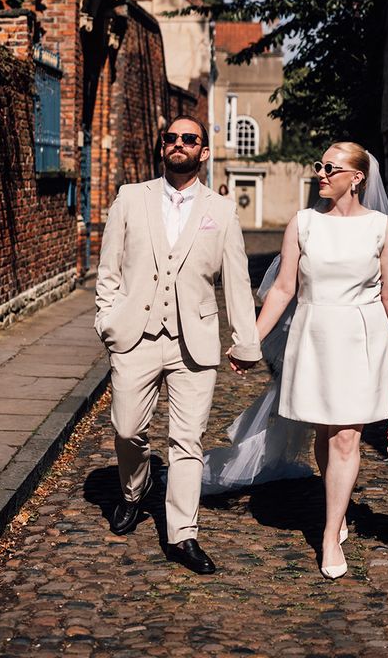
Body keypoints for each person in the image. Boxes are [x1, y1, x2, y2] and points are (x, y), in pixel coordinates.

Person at [94, 114, 261, 575]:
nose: (179, 143)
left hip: (196, 341)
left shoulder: (221, 210)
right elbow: (108, 269)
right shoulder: (131, 198)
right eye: (171, 137)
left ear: (203, 152)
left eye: (189, 138)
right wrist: (108, 319)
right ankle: (135, 490)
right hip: (135, 337)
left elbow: (237, 281)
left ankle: (183, 534)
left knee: (187, 442)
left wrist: (245, 341)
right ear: (162, 146)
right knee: (127, 428)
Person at [254, 141, 388, 580]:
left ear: (357, 178)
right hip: (313, 335)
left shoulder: (381, 228)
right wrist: (252, 340)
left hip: (362, 339)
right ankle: (338, 505)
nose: (322, 173)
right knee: (325, 432)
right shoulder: (303, 223)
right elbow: (283, 289)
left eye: (332, 168)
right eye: (320, 166)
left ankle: (329, 535)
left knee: (347, 437)